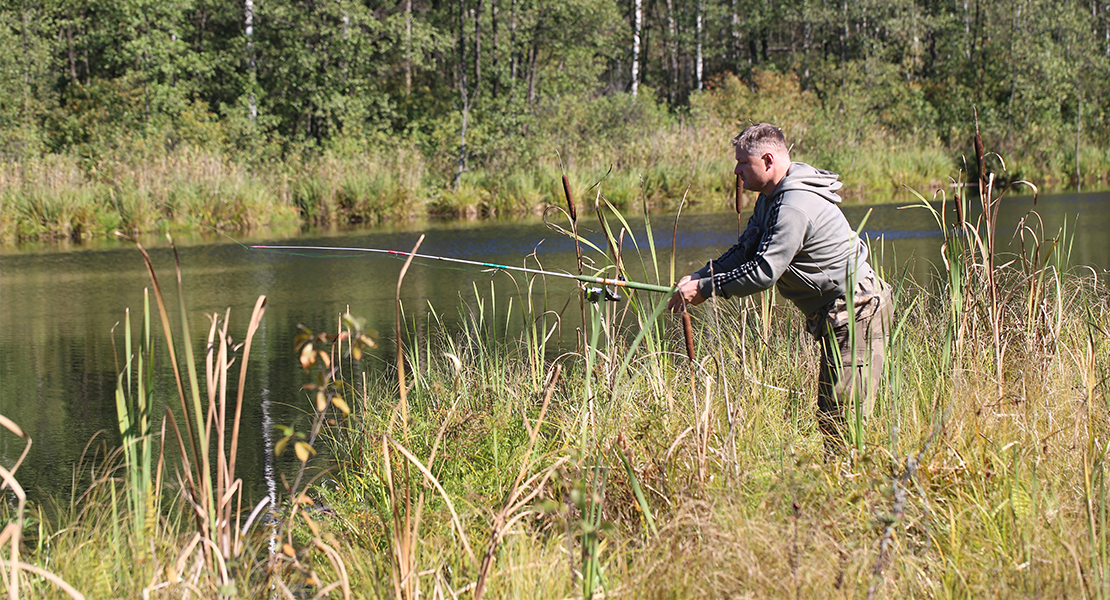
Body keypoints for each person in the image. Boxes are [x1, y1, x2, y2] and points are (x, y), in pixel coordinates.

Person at [667, 123, 893, 450]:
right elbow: (745, 250)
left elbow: (764, 271)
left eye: (744, 162)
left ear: (769, 161)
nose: (736, 170)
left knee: (844, 423)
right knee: (832, 418)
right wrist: (702, 275)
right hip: (835, 315)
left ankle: (858, 492)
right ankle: (841, 489)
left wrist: (707, 288)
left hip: (858, 313)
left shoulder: (793, 206)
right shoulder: (770, 197)